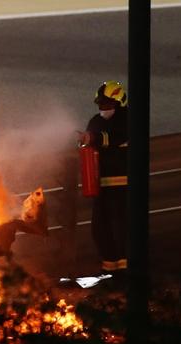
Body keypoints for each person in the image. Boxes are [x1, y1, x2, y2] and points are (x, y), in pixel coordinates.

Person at [77, 80, 129, 276]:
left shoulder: (128, 119)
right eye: (100, 105)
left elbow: (116, 137)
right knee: (100, 229)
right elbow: (90, 144)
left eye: (107, 105)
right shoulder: (96, 121)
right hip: (101, 186)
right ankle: (109, 269)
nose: (103, 109)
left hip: (124, 184)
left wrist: (94, 139)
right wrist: (83, 142)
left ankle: (126, 272)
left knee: (121, 228)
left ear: (119, 102)